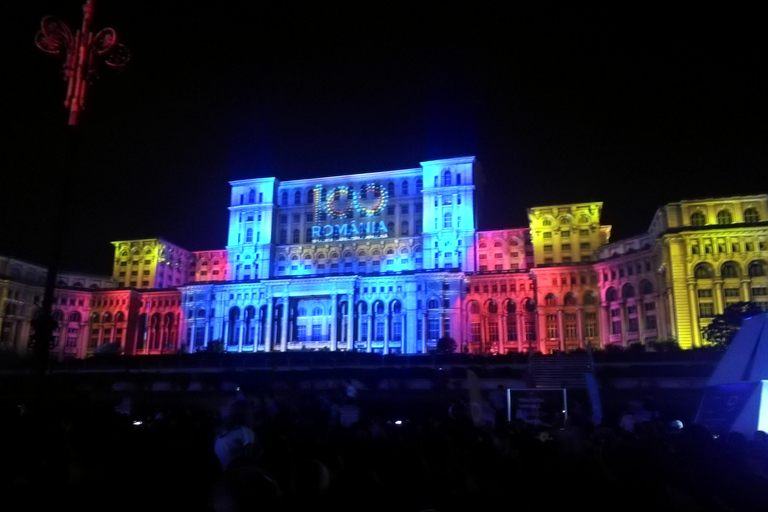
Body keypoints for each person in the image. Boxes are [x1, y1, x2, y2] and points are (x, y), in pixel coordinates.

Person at [214, 400, 259, 472]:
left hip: (220, 470)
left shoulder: (224, 430)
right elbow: (251, 456)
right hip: (235, 472)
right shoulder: (244, 431)